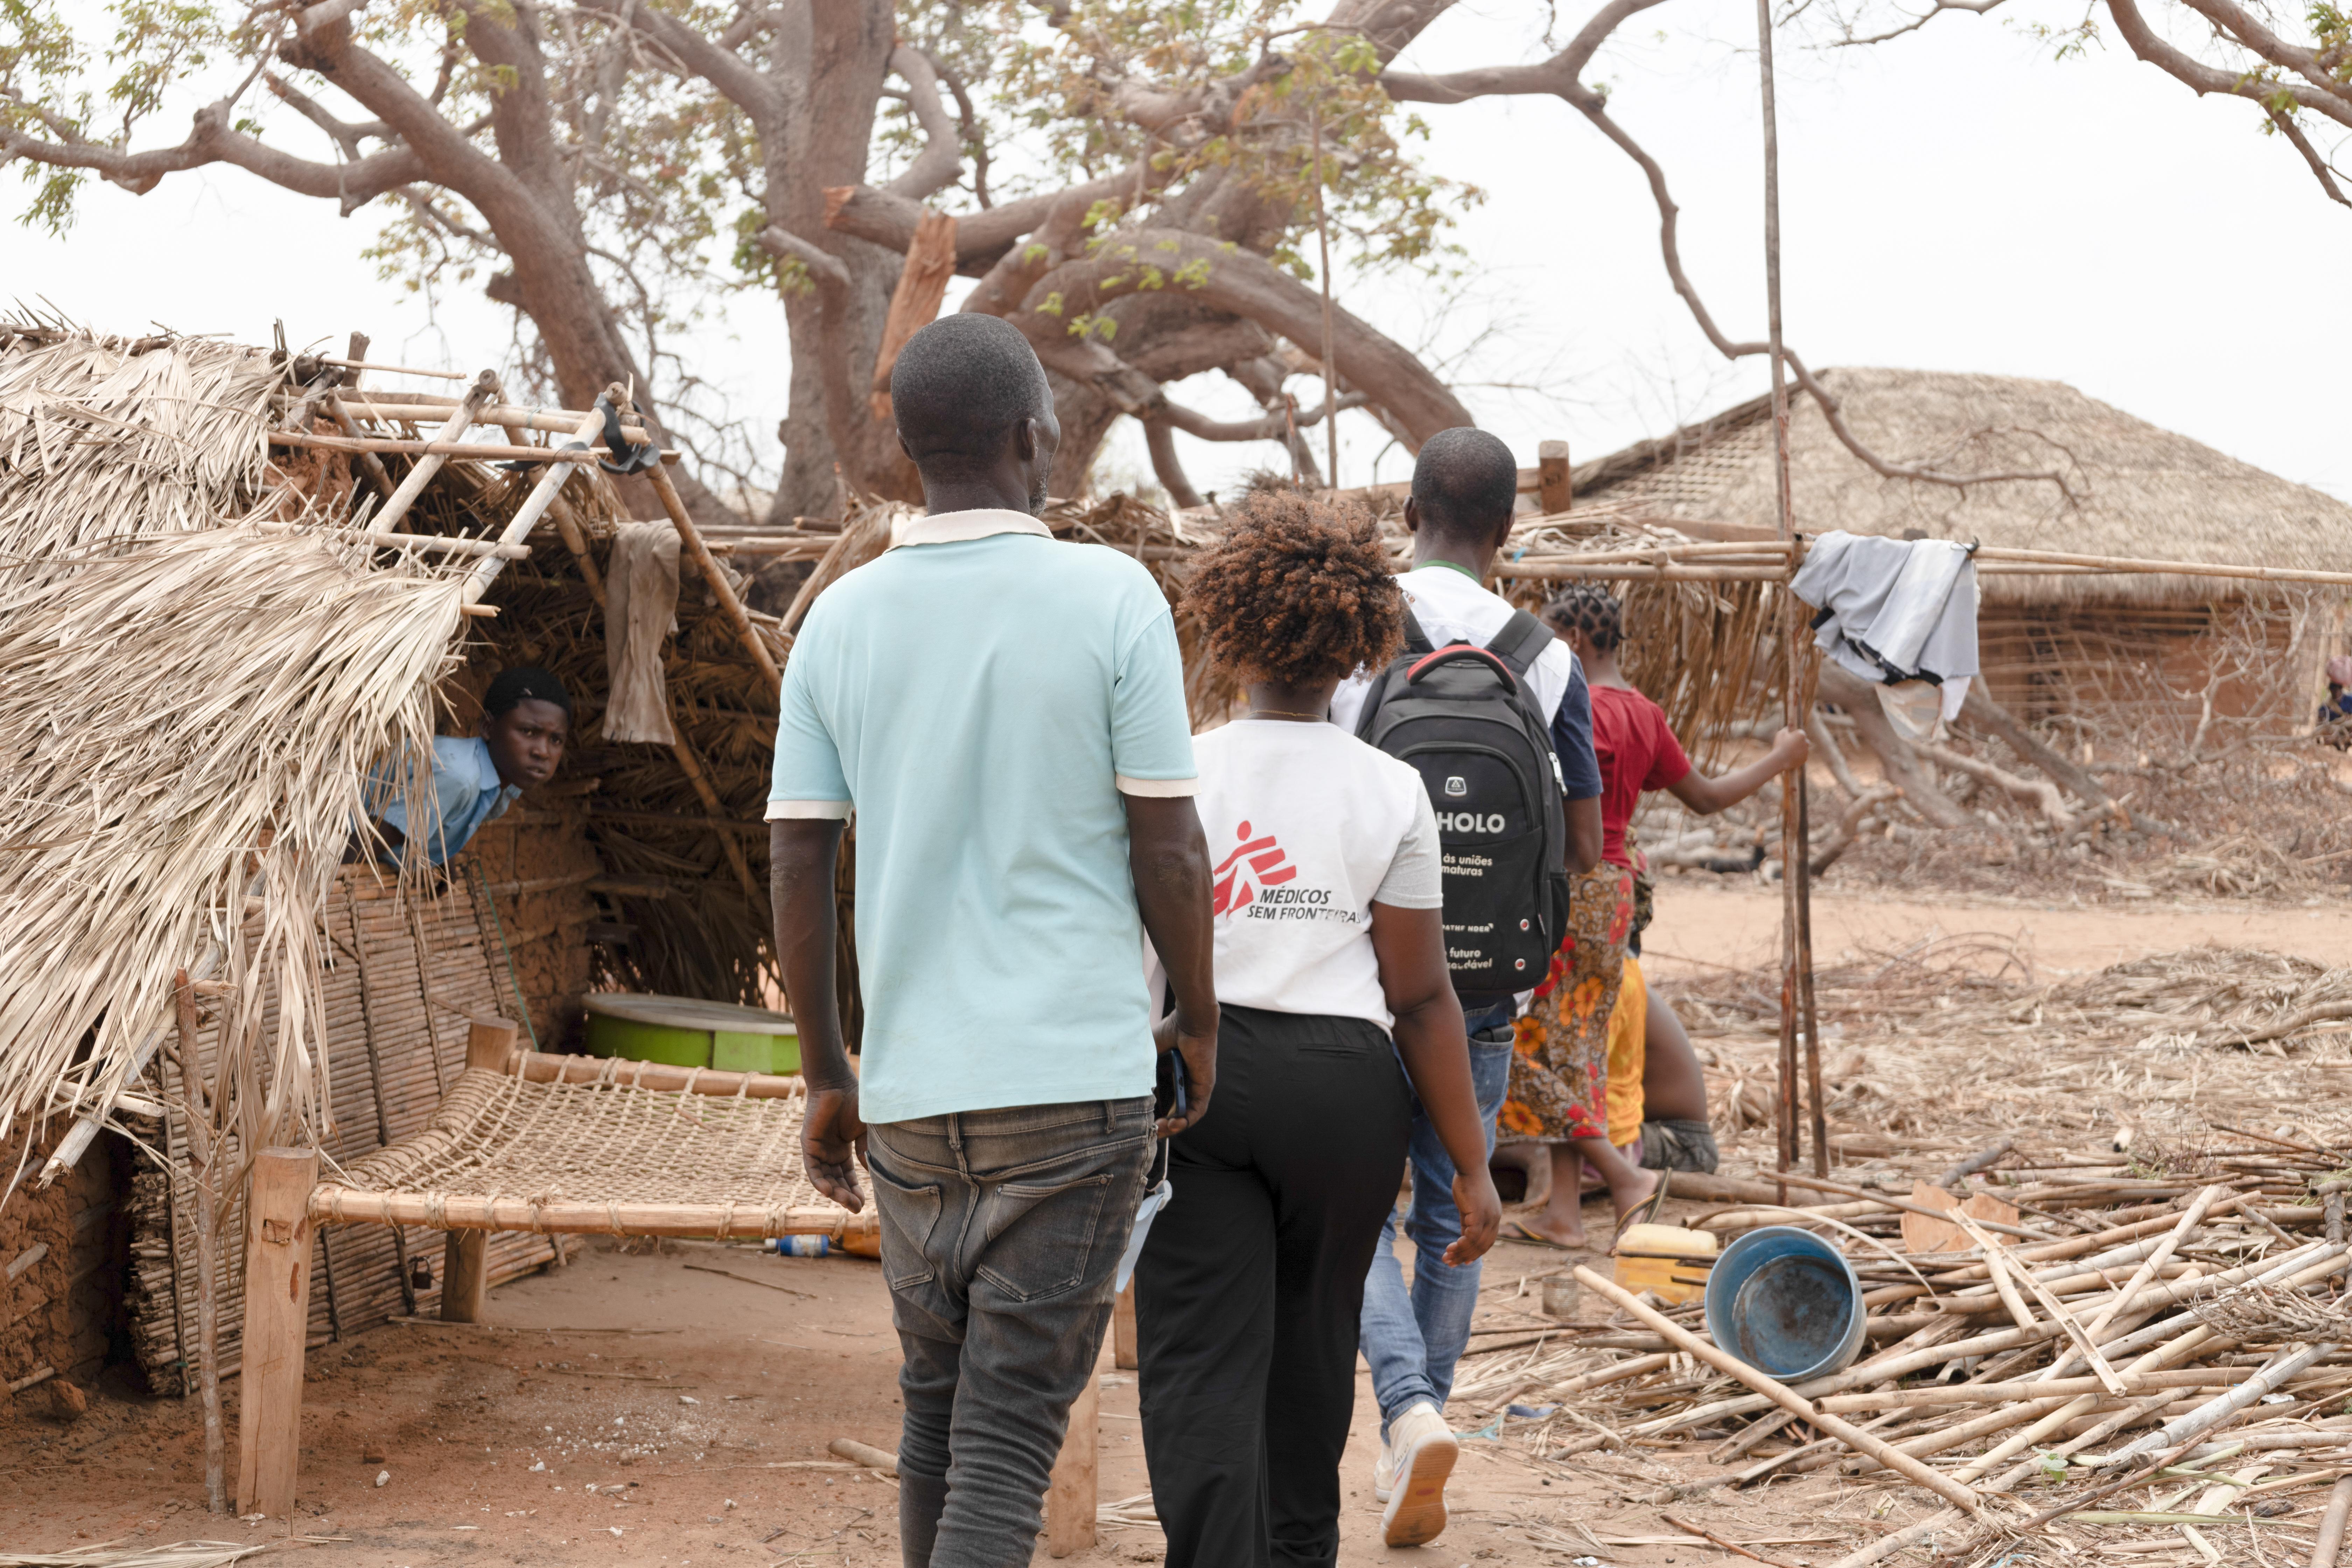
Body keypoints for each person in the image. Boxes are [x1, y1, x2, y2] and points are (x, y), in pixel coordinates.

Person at [765, 314, 1220, 1568]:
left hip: (911, 1095)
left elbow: (797, 854)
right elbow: (1170, 850)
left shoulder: (838, 623)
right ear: (1035, 440)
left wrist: (826, 1070)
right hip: (1071, 1089)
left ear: (909, 449)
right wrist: (1197, 1015)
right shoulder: (1110, 596)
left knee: (939, 1413)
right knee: (1010, 1433)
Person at [1135, 488, 1502, 1566]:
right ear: (1356, 647)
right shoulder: (1389, 788)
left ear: (1224, 628)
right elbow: (1421, 993)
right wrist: (1471, 1168)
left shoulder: (1175, 771)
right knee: (1308, 1342)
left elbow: (1136, 951)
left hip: (1199, 1069)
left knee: (1199, 1351)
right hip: (1347, 1092)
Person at [1328, 427, 1602, 1549]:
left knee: (1353, 1206)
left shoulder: (1350, 628)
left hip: (1353, 971)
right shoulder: (1543, 655)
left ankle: (1404, 1408)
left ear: (1405, 512)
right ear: (1507, 531)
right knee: (1456, 1204)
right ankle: (1422, 1418)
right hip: (1483, 982)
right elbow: (1582, 842)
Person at [1498, 585, 1806, 1246]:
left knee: (1513, 1044)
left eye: (1550, 637)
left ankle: (1622, 1174)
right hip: (1614, 893)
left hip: (1562, 887)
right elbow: (1706, 798)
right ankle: (1564, 1215)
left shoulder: (1565, 705)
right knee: (1575, 1050)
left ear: (1574, 642)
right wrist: (1779, 759)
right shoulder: (1645, 714)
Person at [366, 666, 570, 865]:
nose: (543, 752)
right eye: (528, 731)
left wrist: (441, 860)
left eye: (556, 740)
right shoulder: (459, 778)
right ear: (488, 727)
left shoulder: (503, 782)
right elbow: (365, 843)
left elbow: (442, 822)